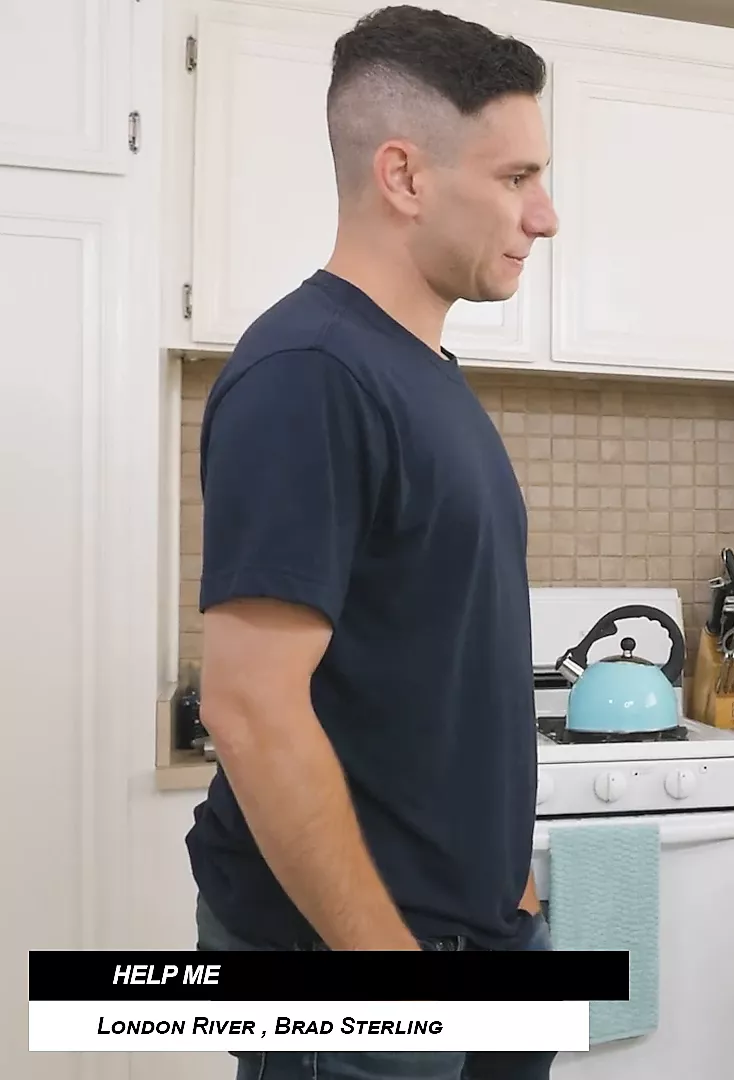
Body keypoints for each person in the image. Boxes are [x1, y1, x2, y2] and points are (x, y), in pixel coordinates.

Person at [186, 5, 559, 1078]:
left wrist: (511, 891)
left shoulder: (421, 373)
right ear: (403, 175)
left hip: (478, 930)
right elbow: (251, 708)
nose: (544, 216)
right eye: (515, 177)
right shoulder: (309, 373)